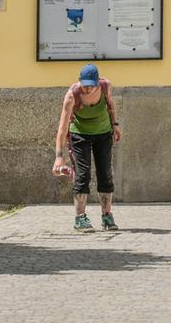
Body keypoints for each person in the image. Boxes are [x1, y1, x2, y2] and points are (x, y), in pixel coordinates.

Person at [52, 64, 122, 232]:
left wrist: (115, 125)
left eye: (91, 84)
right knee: (83, 175)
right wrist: (59, 156)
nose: (88, 88)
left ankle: (107, 215)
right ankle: (80, 218)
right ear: (79, 82)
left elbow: (111, 105)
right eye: (85, 85)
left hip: (103, 132)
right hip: (80, 135)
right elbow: (62, 128)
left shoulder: (105, 86)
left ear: (98, 81)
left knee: (105, 173)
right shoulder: (72, 96)